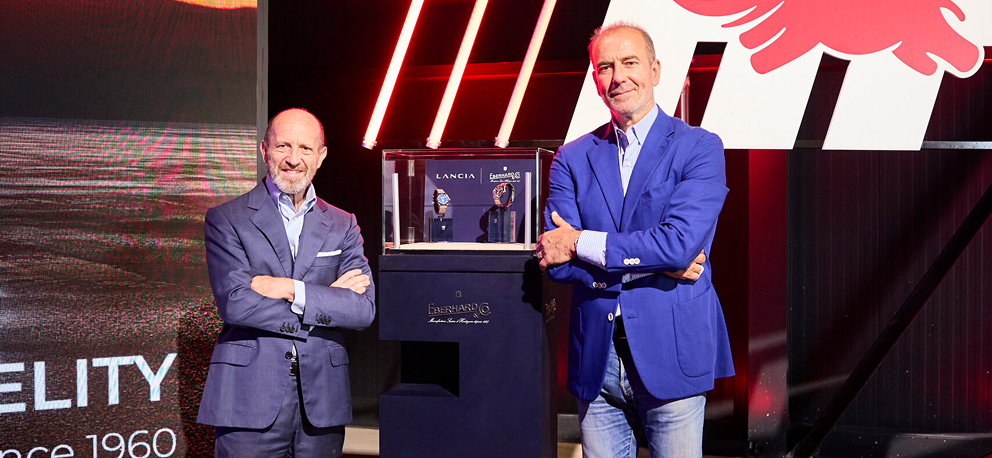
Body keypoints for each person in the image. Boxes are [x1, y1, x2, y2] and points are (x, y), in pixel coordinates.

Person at [536, 22, 734, 458]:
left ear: (655, 70)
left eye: (629, 63)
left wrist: (581, 242)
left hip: (672, 349)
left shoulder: (699, 147)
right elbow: (556, 258)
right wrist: (659, 262)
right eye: (605, 67)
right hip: (597, 357)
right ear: (595, 79)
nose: (618, 76)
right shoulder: (572, 157)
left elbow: (678, 244)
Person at [197, 108, 375, 457]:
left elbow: (362, 310)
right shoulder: (227, 219)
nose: (294, 159)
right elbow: (237, 304)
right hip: (248, 399)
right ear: (265, 150)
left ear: (321, 156)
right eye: (283, 147)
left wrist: (291, 289)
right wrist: (327, 301)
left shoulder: (343, 224)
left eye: (305, 148)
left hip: (322, 401)